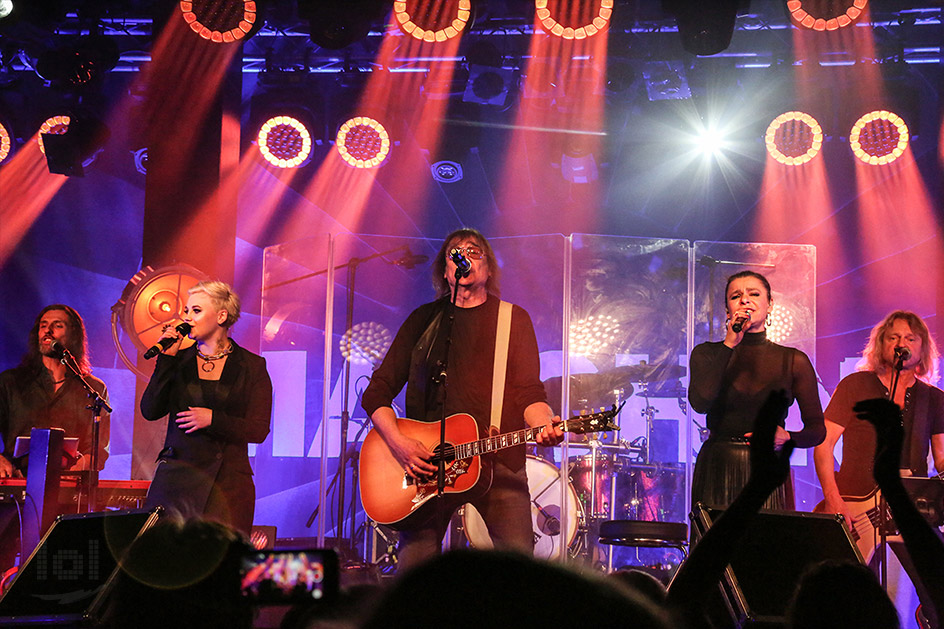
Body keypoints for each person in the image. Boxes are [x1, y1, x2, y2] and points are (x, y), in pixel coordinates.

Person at [360, 228, 564, 569]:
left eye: (474, 252)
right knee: (415, 573)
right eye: (455, 252)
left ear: (487, 270)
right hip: (426, 466)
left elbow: (529, 392)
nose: (463, 257)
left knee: (521, 571)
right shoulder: (423, 320)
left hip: (497, 461)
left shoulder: (512, 320)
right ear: (445, 270)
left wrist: (544, 424)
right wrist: (398, 444)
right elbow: (377, 391)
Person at [813, 311, 944, 627]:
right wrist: (833, 499)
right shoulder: (856, 385)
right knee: (847, 599)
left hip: (910, 508)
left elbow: (941, 459)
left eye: (910, 338)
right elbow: (823, 445)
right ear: (881, 344)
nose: (902, 344)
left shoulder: (934, 399)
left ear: (922, 347)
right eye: (894, 337)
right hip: (855, 505)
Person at [141, 280, 272, 535]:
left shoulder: (252, 366)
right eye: (187, 310)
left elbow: (258, 429)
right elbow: (150, 410)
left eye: (196, 311)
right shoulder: (177, 361)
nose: (187, 317)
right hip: (178, 480)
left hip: (228, 486)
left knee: (222, 563)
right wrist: (166, 359)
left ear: (221, 316)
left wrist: (214, 420)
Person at [688, 271, 825, 510]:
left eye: (754, 293)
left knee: (765, 545)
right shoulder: (707, 353)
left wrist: (789, 437)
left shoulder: (793, 360)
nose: (745, 300)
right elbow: (701, 402)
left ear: (770, 305)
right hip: (718, 464)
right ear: (727, 309)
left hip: (767, 465)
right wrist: (730, 344)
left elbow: (817, 430)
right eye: (736, 296)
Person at [0, 304, 110, 477]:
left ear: (73, 335)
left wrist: (81, 465)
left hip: (70, 485)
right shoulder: (10, 382)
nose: (47, 331)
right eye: (43, 325)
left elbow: (98, 447)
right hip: (18, 483)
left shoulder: (93, 388)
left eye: (57, 325)